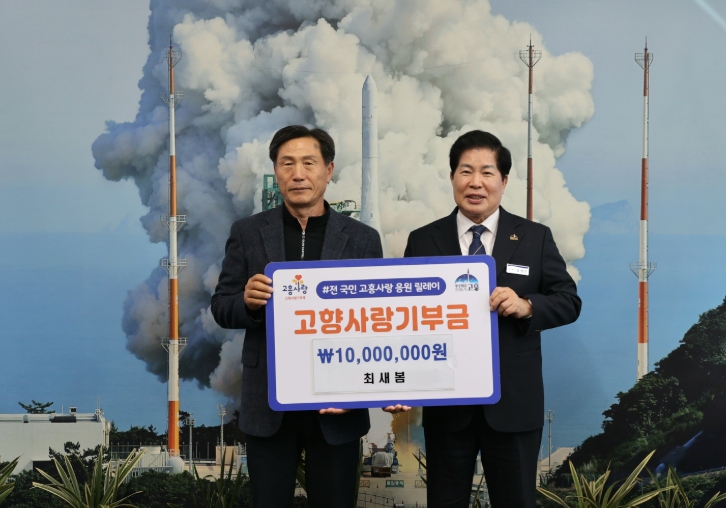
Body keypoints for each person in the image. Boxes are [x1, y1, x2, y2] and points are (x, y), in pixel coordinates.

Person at [403, 130, 581, 508]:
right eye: (466, 171)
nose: (476, 182)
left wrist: (527, 305)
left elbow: (568, 301)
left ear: (504, 180)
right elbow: (405, 317)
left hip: (514, 407)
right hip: (447, 408)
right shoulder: (423, 240)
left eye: (487, 172)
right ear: (452, 177)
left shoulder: (534, 237)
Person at [211, 125, 383, 508]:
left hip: (337, 406)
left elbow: (376, 323)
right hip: (269, 403)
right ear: (276, 172)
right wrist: (247, 303)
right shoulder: (248, 233)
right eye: (287, 164)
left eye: (309, 163)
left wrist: (363, 392)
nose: (298, 174)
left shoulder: (362, 239)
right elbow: (221, 306)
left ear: (328, 170)